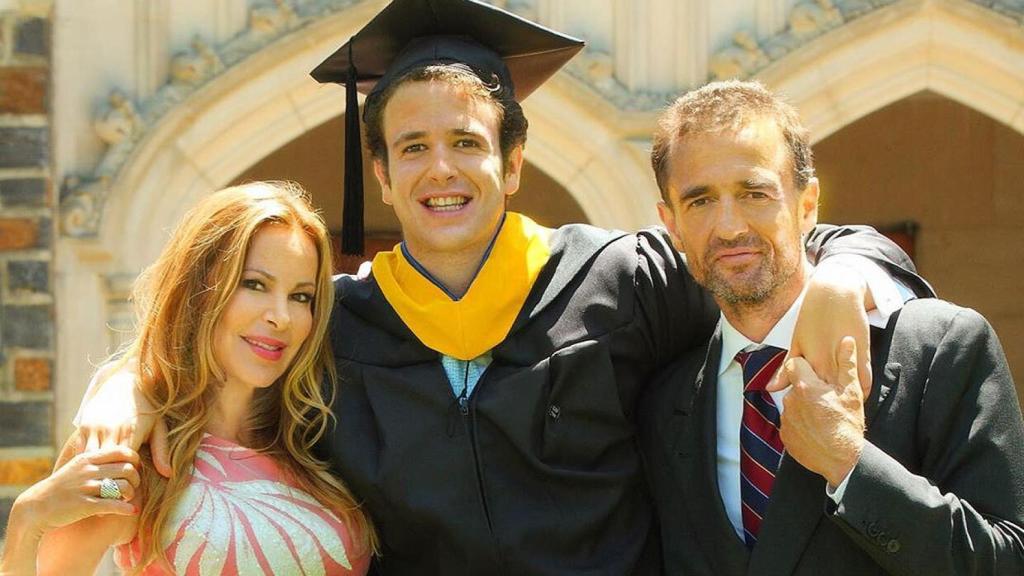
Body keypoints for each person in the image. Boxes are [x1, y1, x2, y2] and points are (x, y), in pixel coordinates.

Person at [73, 1, 933, 574]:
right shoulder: (343, 326)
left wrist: (843, 274)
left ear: (514, 162)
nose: (440, 169)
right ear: (379, 172)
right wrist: (126, 383)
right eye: (411, 147)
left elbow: (769, 250)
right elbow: (219, 369)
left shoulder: (618, 279)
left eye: (467, 142)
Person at [639, 80, 1024, 575]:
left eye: (755, 193)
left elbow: (1007, 561)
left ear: (807, 206)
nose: (730, 226)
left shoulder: (940, 349)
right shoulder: (663, 401)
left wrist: (850, 466)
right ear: (670, 222)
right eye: (700, 201)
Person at [1, 182, 375, 575]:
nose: (281, 316)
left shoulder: (320, 438)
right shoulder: (132, 460)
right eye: (254, 285)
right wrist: (28, 519)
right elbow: (93, 509)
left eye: (301, 296)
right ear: (199, 290)